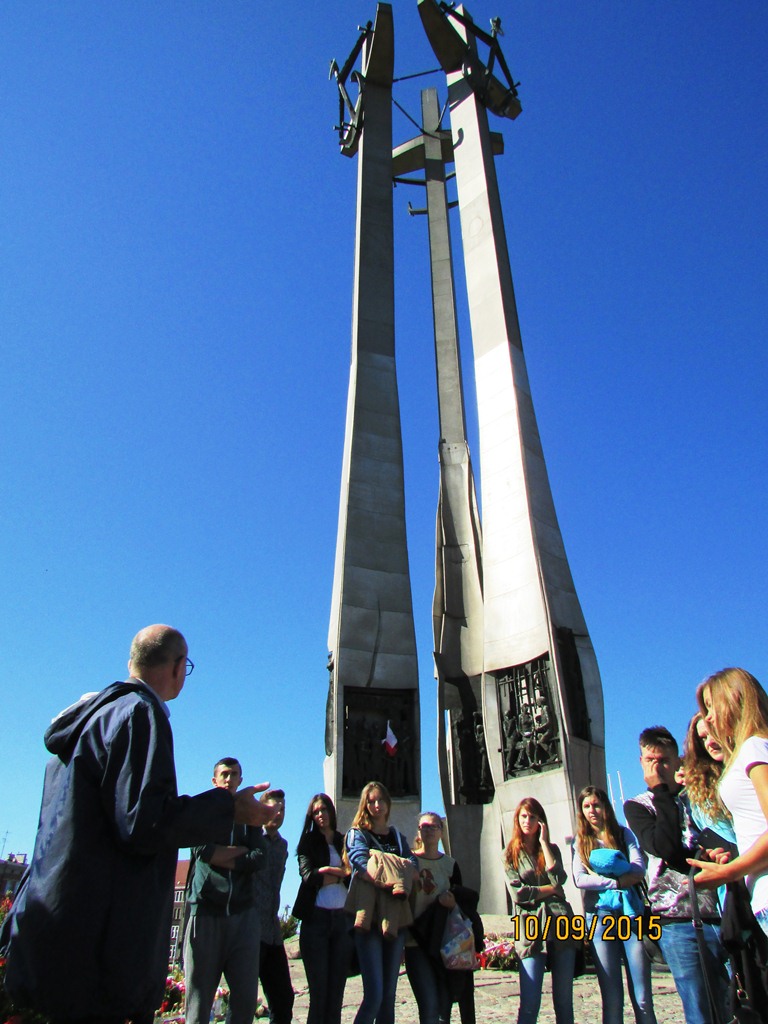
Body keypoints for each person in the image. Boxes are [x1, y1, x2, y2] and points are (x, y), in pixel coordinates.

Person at [0, 624, 275, 1024]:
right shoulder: (140, 715)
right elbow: (144, 823)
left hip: (58, 926)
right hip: (99, 945)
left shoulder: (86, 723)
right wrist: (228, 808)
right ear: (180, 667)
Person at [624, 725, 729, 1024]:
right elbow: (665, 847)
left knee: (734, 1001)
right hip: (678, 918)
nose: (658, 767)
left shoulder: (698, 794)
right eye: (650, 761)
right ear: (641, 763)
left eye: (664, 761)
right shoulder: (637, 805)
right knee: (699, 1008)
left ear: (678, 760)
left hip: (723, 910)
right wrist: (661, 791)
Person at [184, 757, 267, 1024]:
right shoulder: (204, 809)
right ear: (214, 780)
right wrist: (240, 854)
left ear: (241, 780)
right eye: (224, 774)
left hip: (243, 914)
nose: (229, 779)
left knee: (244, 1002)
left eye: (234, 774)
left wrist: (225, 856)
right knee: (198, 1002)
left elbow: (259, 858)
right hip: (206, 912)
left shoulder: (250, 817)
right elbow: (201, 850)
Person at [689, 668, 768, 935]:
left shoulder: (754, 748)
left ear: (733, 700)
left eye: (711, 707)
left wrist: (728, 872)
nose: (708, 718)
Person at [572, 786, 656, 1024]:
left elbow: (639, 868)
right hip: (601, 917)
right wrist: (616, 881)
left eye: (596, 805)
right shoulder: (581, 842)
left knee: (642, 998)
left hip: (631, 914)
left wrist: (600, 877)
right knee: (611, 999)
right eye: (586, 806)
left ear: (606, 807)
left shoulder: (623, 834)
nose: (592, 811)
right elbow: (580, 879)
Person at [345, 781, 417, 1024]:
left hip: (394, 915)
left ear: (388, 803)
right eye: (372, 801)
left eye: (381, 800)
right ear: (365, 805)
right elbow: (361, 864)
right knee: (374, 994)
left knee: (388, 996)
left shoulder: (397, 835)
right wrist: (394, 876)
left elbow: (413, 866)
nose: (377, 806)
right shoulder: (358, 834)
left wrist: (387, 867)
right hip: (369, 915)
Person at [503, 797, 576, 1024]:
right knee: (530, 1002)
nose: (527, 821)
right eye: (523, 816)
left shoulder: (551, 849)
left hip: (560, 921)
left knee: (564, 1001)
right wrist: (551, 889)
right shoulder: (510, 853)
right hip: (530, 925)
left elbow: (560, 878)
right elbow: (519, 894)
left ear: (540, 821)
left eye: (532, 816)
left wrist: (544, 843)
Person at [293, 793, 352, 1024]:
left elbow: (352, 875)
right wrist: (336, 874)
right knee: (319, 993)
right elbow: (309, 876)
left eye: (324, 810)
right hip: (316, 919)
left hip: (342, 920)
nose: (321, 815)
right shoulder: (308, 841)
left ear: (331, 811)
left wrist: (329, 873)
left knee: (336, 993)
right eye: (316, 812)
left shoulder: (343, 840)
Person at [404, 811, 461, 1024]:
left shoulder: (450, 864)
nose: (428, 830)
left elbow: (462, 900)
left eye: (433, 826)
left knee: (444, 1007)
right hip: (416, 943)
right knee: (429, 1006)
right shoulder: (409, 862)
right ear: (418, 831)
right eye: (424, 827)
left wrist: (452, 902)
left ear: (441, 831)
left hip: (444, 941)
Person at [254, 789, 295, 1024]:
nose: (279, 813)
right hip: (250, 929)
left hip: (272, 931)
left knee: (283, 998)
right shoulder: (250, 837)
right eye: (274, 808)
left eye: (283, 809)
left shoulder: (283, 846)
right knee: (244, 998)